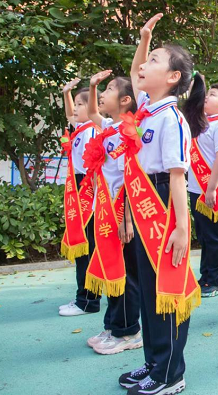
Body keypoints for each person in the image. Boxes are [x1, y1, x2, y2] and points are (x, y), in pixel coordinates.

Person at [116, 13, 204, 395]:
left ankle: (170, 374)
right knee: (148, 290)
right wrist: (145, 39)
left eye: (156, 60)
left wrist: (182, 229)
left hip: (163, 205)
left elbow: (177, 176)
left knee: (165, 290)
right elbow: (137, 70)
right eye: (148, 59)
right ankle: (154, 362)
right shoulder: (146, 110)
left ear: (172, 78)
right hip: (140, 202)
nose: (145, 65)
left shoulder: (171, 118)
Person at [80, 70, 142, 355]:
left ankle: (128, 330)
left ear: (126, 100)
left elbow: (131, 178)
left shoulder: (128, 133)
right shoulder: (108, 128)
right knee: (109, 270)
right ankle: (113, 323)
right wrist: (92, 86)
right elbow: (92, 110)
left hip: (120, 214)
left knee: (126, 273)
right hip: (104, 211)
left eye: (109, 89)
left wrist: (127, 218)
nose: (103, 94)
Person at [188, 82, 218, 298]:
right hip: (197, 188)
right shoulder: (202, 124)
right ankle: (207, 277)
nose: (206, 97)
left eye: (212, 95)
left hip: (216, 190)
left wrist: (211, 188)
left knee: (217, 237)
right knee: (205, 236)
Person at [58, 82, 100, 317]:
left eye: (81, 104)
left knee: (87, 251)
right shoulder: (82, 128)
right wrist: (66, 93)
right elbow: (68, 114)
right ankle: (84, 297)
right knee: (84, 250)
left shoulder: (92, 131)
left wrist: (94, 202)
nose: (75, 108)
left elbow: (92, 172)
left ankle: (87, 301)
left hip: (88, 198)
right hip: (80, 193)